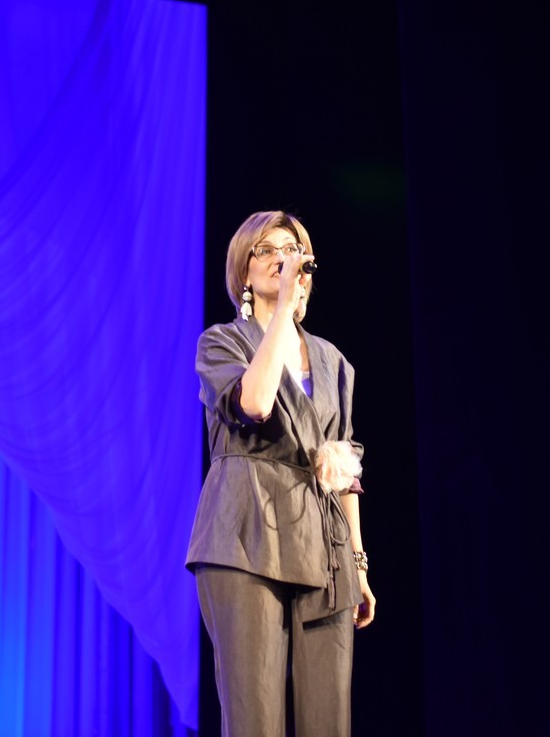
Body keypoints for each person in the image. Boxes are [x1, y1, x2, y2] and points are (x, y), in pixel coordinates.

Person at [186, 211, 376, 737]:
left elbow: (344, 467)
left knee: (329, 719)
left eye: (292, 250)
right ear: (243, 272)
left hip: (323, 545)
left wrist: (358, 563)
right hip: (245, 536)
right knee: (256, 717)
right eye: (266, 250)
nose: (281, 258)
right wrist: (280, 318)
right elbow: (255, 403)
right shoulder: (223, 342)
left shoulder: (333, 361)